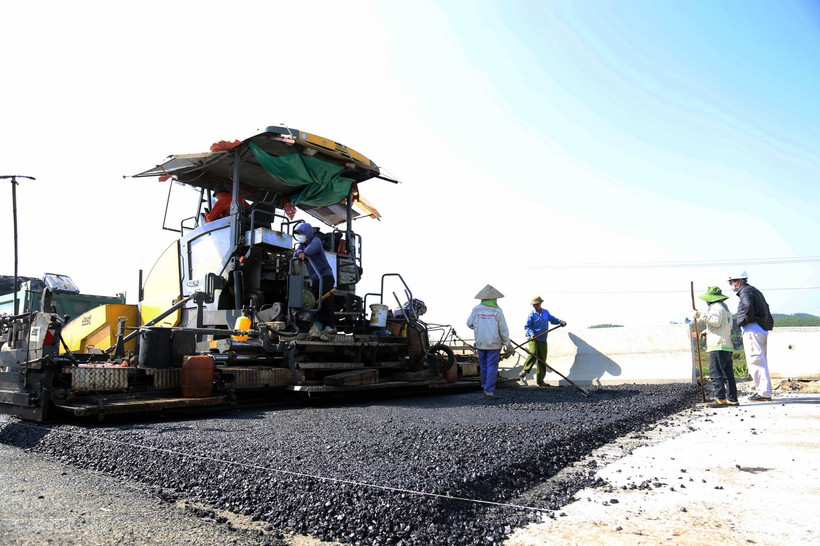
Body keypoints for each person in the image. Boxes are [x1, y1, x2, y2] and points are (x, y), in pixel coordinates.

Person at [728, 271, 774, 402]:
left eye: (731, 282)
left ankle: (764, 393)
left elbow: (748, 305)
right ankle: (763, 391)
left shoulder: (745, 292)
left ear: (739, 281)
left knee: (756, 361)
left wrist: (747, 320)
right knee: (760, 360)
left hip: (753, 329)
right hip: (761, 328)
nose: (731, 285)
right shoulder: (754, 291)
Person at [467, 285, 514, 399]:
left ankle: (485, 387)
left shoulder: (476, 309)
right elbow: (503, 330)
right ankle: (489, 391)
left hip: (480, 343)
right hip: (494, 343)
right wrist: (508, 345)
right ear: (494, 299)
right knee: (492, 366)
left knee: (483, 366)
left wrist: (479, 327)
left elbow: (469, 324)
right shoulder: (497, 311)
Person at [694, 286, 737, 407]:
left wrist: (700, 315)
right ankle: (732, 399)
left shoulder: (715, 307)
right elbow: (721, 326)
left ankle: (720, 399)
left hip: (718, 345)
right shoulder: (726, 309)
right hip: (726, 344)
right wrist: (706, 331)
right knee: (728, 374)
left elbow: (715, 322)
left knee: (715, 372)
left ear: (710, 299)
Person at [294, 222, 336, 340]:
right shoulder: (302, 245)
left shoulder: (316, 241)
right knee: (313, 301)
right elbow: (296, 252)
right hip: (316, 278)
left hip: (325, 276)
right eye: (299, 233)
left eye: (301, 233)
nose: (300, 235)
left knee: (326, 301)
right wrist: (299, 252)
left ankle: (330, 326)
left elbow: (307, 252)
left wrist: (301, 252)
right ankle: (318, 325)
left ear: (307, 233)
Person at [518, 296, 566, 386]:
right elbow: (527, 327)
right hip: (533, 338)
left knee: (542, 360)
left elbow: (552, 319)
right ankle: (525, 370)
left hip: (543, 339)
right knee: (533, 352)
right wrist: (531, 334)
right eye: (534, 305)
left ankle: (540, 381)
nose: (535, 306)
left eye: (537, 304)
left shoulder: (546, 312)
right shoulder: (531, 314)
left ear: (540, 304)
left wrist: (560, 322)